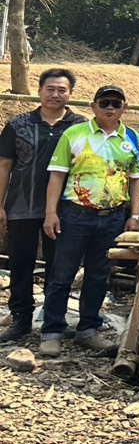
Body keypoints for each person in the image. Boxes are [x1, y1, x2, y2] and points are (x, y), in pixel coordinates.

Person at [36, 86, 139, 358]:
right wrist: (51, 213)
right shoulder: (74, 134)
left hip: (113, 217)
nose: (110, 108)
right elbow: (57, 176)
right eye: (104, 103)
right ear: (93, 106)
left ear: (125, 107)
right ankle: (52, 331)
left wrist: (134, 216)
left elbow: (137, 180)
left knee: (98, 275)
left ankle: (88, 329)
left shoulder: (132, 138)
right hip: (75, 215)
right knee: (62, 274)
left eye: (116, 103)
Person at [0, 68, 84, 342]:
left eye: (62, 90)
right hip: (21, 206)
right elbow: (4, 166)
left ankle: (53, 320)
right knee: (20, 264)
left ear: (70, 94)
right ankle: (21, 319)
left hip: (65, 210)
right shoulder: (18, 125)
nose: (55, 94)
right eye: (50, 89)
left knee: (59, 267)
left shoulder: (81, 126)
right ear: (39, 91)